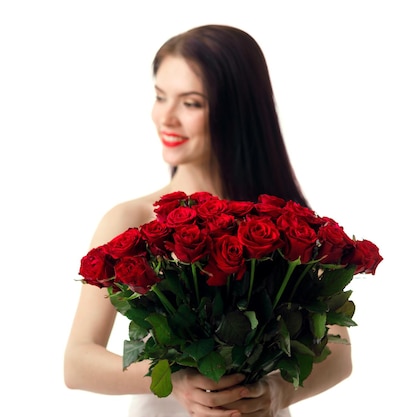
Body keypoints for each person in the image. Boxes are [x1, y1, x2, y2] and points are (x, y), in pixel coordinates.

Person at [63, 24, 352, 417]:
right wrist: (170, 377)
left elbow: (338, 352)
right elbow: (77, 362)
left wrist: (279, 393)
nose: (165, 117)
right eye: (160, 96)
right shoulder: (131, 221)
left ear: (238, 111)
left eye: (191, 103)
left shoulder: (286, 226)